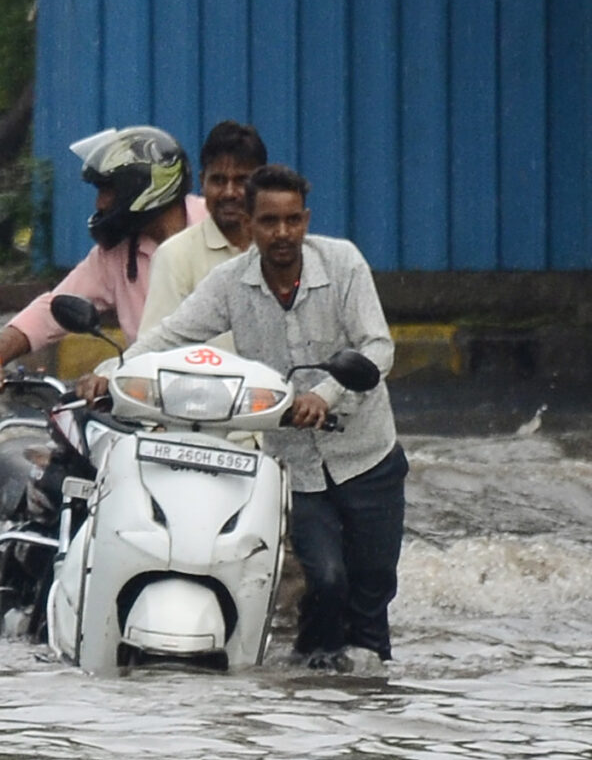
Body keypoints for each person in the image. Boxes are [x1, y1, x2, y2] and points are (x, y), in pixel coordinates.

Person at [118, 164, 404, 675]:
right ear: (248, 226)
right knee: (325, 579)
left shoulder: (344, 265)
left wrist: (325, 393)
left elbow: (377, 348)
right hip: (296, 466)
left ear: (307, 220)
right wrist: (115, 373)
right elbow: (171, 335)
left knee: (373, 589)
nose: (283, 234)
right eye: (270, 222)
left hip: (368, 456)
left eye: (294, 220)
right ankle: (308, 680)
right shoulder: (228, 284)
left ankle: (366, 706)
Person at [0, 126, 205, 382]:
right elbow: (51, 308)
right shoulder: (116, 254)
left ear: (143, 184)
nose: (99, 203)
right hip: (149, 395)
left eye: (108, 190)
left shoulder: (222, 227)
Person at [138, 119, 265, 332]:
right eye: (218, 180)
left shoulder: (279, 250)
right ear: (202, 182)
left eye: (241, 180)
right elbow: (155, 349)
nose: (229, 193)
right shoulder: (175, 257)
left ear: (262, 182)